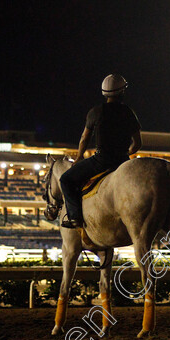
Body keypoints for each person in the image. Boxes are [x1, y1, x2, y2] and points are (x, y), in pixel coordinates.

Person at [59, 74, 142, 228]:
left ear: (104, 92)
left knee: (66, 180)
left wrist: (79, 158)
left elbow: (84, 138)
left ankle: (75, 218)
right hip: (123, 161)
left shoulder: (95, 112)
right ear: (123, 92)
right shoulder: (129, 112)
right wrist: (124, 154)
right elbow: (137, 144)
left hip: (100, 161)